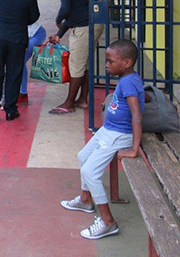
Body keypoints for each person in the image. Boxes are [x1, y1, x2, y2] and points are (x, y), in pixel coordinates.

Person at [61, 39, 144, 239]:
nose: (106, 64)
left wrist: (134, 149)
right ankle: (86, 200)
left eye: (110, 61)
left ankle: (108, 221)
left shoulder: (129, 82)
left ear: (126, 63)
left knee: (90, 172)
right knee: (83, 157)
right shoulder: (127, 79)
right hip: (109, 130)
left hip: (119, 134)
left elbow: (137, 115)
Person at [48, 0, 104, 114]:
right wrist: (59, 34)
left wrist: (57, 20)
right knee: (85, 65)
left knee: (76, 66)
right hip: (92, 25)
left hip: (84, 28)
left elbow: (66, 9)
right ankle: (82, 99)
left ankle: (69, 103)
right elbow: (73, 12)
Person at [18, 21, 47, 103]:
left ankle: (22, 92)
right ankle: (21, 90)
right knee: (18, 61)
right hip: (26, 34)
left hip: (35, 34)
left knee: (20, 61)